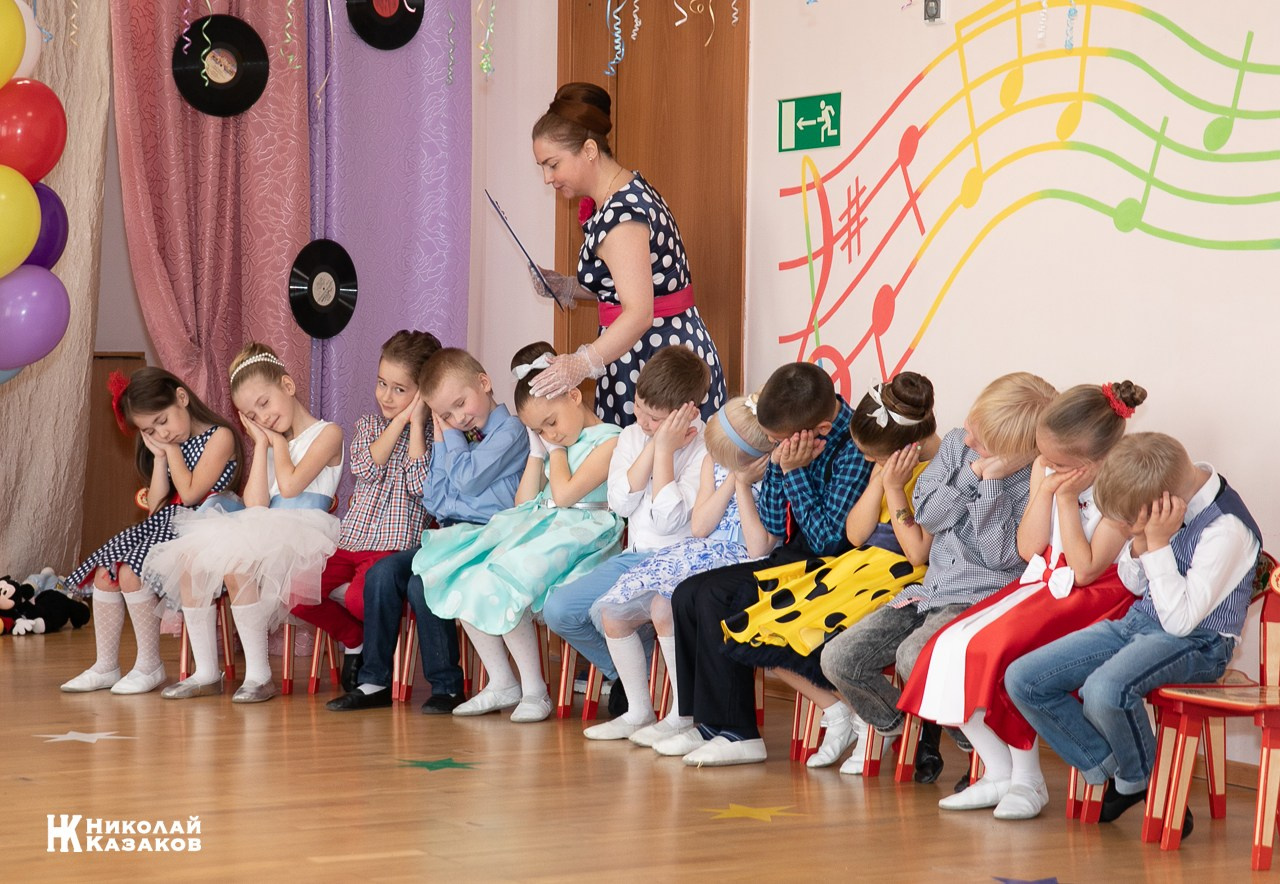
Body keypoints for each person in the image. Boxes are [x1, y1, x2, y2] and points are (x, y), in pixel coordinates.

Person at [900, 381, 1147, 820]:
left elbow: (1086, 566)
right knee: (948, 647)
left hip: (1094, 596)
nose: (1046, 466)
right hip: (1043, 582)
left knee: (1005, 656)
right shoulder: (1043, 471)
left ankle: (1028, 778)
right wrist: (1046, 488)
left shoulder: (1120, 487)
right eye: (1043, 457)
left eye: (1058, 462)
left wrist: (1067, 498)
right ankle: (998, 770)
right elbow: (1030, 547)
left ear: (1094, 463)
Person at [1007, 432, 1260, 833]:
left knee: (1104, 690)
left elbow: (1180, 622)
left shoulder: (1226, 528)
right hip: (1140, 624)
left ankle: (1143, 781)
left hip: (1200, 643)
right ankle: (1129, 775)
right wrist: (1143, 541)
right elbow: (1135, 583)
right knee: (1024, 679)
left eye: (1130, 522)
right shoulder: (1163, 503)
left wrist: (1158, 542)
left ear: (1161, 500)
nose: (1127, 528)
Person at [820, 372, 1057, 784]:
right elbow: (927, 515)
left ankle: (981, 746)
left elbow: (1000, 556)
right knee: (838, 659)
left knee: (916, 658)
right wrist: (971, 474)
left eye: (978, 441)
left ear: (1011, 449)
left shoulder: (1033, 482)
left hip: (980, 600)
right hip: (928, 593)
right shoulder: (954, 446)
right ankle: (903, 723)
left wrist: (993, 485)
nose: (966, 442)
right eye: (968, 428)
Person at [718, 373, 938, 770]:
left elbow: (917, 553)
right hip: (857, 566)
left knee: (819, 635)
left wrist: (892, 488)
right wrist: (877, 483)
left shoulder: (931, 475)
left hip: (900, 579)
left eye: (874, 457)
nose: (868, 461)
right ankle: (845, 714)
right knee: (764, 622)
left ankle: (871, 722)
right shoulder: (882, 469)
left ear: (906, 450)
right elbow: (856, 534)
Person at [657, 362, 872, 766]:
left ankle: (738, 733)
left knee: (724, 601)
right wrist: (779, 467)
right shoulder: (787, 440)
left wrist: (794, 472)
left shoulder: (853, 447)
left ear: (819, 430)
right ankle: (705, 723)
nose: (772, 449)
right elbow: (773, 524)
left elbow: (829, 540)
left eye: (776, 442)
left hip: (836, 567)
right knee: (689, 593)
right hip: (789, 558)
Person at [414, 344, 624, 723]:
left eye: (550, 422)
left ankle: (534, 691)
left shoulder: (610, 439)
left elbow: (563, 495)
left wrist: (554, 450)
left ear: (575, 396)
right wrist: (536, 453)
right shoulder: (551, 443)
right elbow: (524, 501)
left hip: (584, 534)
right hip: (545, 526)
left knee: (506, 572)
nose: (548, 433)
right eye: (537, 429)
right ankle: (502, 680)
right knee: (465, 568)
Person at [326, 346, 530, 712]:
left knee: (424, 582)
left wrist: (446, 437)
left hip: (487, 537)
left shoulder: (511, 431)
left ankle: (447, 686)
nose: (457, 418)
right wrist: (444, 445)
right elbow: (435, 498)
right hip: (450, 536)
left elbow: (464, 483)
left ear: (484, 383)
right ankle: (373, 681)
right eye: (444, 414)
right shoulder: (456, 435)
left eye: (459, 405)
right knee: (382, 572)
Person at [143, 344, 344, 703]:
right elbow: (255, 504)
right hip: (268, 524)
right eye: (252, 414)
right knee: (193, 560)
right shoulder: (270, 443)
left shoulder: (328, 433)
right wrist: (262, 448)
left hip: (306, 533)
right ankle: (206, 672)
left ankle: (259, 675)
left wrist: (276, 443)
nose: (262, 418)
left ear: (287, 385)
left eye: (264, 404)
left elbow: (292, 485)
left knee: (239, 564)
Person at [527, 81, 727, 426]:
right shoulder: (628, 191)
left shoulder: (621, 215)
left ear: (589, 150)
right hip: (653, 350)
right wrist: (568, 286)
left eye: (553, 164)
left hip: (655, 360)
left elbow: (639, 313)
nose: (548, 178)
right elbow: (631, 283)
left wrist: (581, 363)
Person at [583, 394, 780, 741]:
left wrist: (745, 486)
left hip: (739, 561)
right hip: (700, 549)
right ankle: (638, 711)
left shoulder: (773, 475)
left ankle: (682, 712)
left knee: (664, 606)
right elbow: (702, 527)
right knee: (614, 612)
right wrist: (731, 480)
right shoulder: (714, 465)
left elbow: (756, 548)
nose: (714, 459)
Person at [541, 344, 711, 715]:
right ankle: (627, 670)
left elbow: (670, 521)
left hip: (678, 563)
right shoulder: (632, 436)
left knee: (612, 612)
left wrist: (664, 452)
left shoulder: (703, 448)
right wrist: (653, 445)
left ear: (687, 413)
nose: (641, 419)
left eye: (654, 418)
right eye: (639, 406)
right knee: (558, 609)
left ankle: (647, 683)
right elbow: (621, 504)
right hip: (634, 558)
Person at [61, 368, 241, 695]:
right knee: (106, 573)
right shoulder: (168, 447)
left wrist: (170, 451)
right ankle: (106, 665)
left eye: (162, 421)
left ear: (182, 398)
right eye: (149, 429)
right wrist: (159, 458)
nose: (160, 432)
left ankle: (149, 664)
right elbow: (158, 504)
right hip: (166, 522)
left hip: (202, 524)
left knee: (130, 572)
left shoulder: (219, 437)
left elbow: (189, 495)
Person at [290, 330, 441, 690]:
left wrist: (416, 424)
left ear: (422, 394)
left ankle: (369, 639)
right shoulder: (367, 426)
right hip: (351, 541)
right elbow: (364, 468)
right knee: (296, 592)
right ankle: (355, 639)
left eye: (399, 389)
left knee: (361, 598)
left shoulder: (436, 438)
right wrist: (399, 422)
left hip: (392, 551)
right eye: (381, 383)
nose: (386, 396)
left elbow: (423, 490)